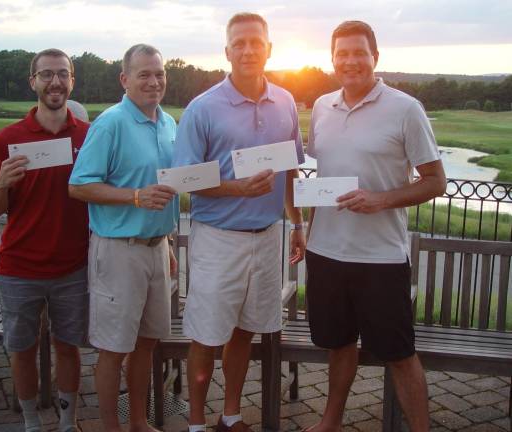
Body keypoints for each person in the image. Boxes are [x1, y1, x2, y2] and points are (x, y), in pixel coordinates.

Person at [304, 21, 447, 432]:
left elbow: (436, 181)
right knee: (339, 344)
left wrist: (380, 198)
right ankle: (330, 422)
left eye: (358, 53)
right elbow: (324, 177)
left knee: (399, 353)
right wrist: (307, 232)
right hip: (326, 254)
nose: (350, 61)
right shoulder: (321, 107)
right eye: (341, 54)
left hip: (380, 258)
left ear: (375, 58)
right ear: (332, 60)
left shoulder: (405, 109)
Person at [173, 12, 305, 432]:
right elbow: (185, 180)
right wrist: (236, 189)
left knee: (245, 330)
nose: (248, 51)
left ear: (268, 48)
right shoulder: (202, 108)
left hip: (268, 237)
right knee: (207, 336)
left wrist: (297, 224)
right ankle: (196, 423)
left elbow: (290, 173)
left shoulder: (285, 101)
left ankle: (229, 416)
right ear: (227, 51)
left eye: (256, 43)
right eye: (239, 44)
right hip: (218, 238)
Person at [68, 44, 178, 432]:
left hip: (155, 249)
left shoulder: (168, 123)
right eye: (144, 74)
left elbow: (167, 188)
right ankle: (111, 426)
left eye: (159, 74)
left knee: (148, 342)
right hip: (118, 251)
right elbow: (79, 186)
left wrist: (167, 240)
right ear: (125, 79)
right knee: (114, 348)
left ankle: (138, 422)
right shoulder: (110, 123)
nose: (153, 81)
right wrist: (134, 196)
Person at [0, 48, 90, 432]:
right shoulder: (8, 139)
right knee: (22, 349)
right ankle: (31, 422)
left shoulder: (87, 136)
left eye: (63, 74)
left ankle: (67, 421)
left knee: (68, 346)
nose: (55, 82)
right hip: (19, 267)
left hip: (71, 266)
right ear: (33, 82)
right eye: (46, 74)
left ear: (72, 81)